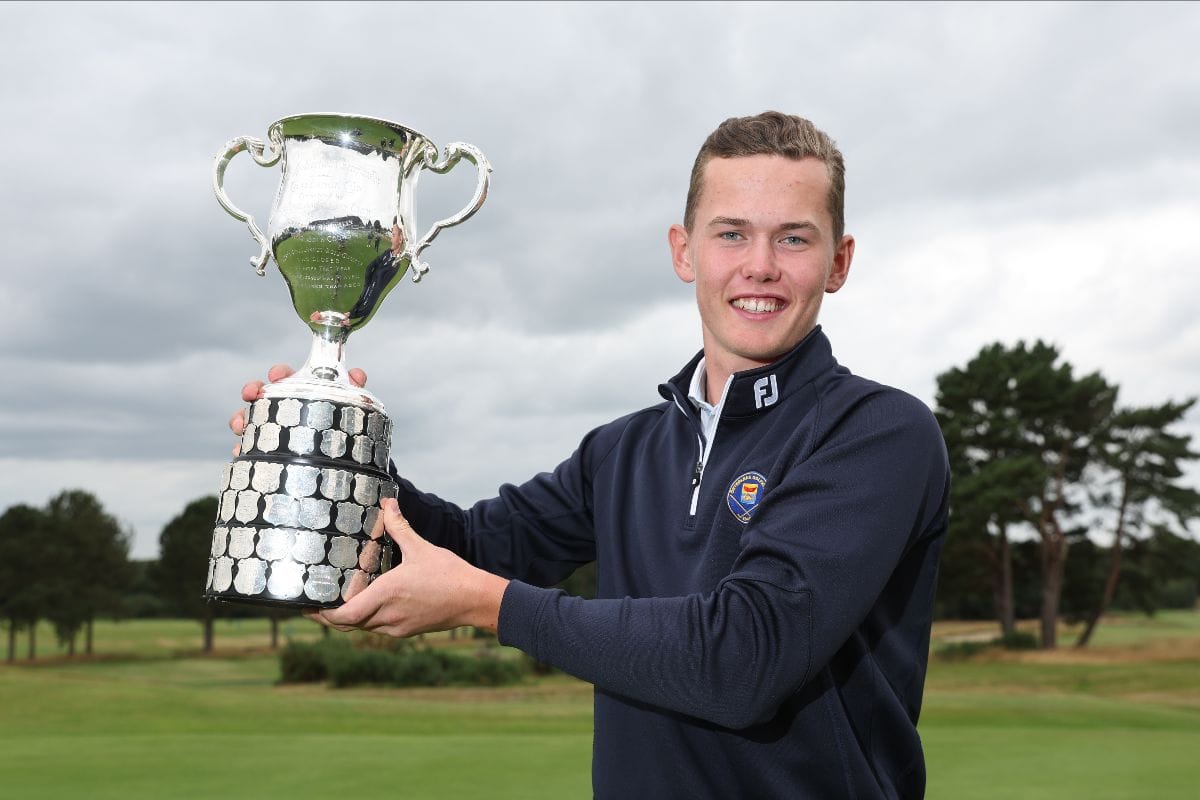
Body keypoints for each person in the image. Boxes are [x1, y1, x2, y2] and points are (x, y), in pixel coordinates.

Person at [232, 111, 950, 799]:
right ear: (683, 250)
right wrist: (329, 456)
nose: (759, 266)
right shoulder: (624, 450)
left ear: (839, 261)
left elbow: (744, 659)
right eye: (731, 234)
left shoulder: (879, 434)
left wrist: (493, 607)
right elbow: (471, 546)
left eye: (794, 239)